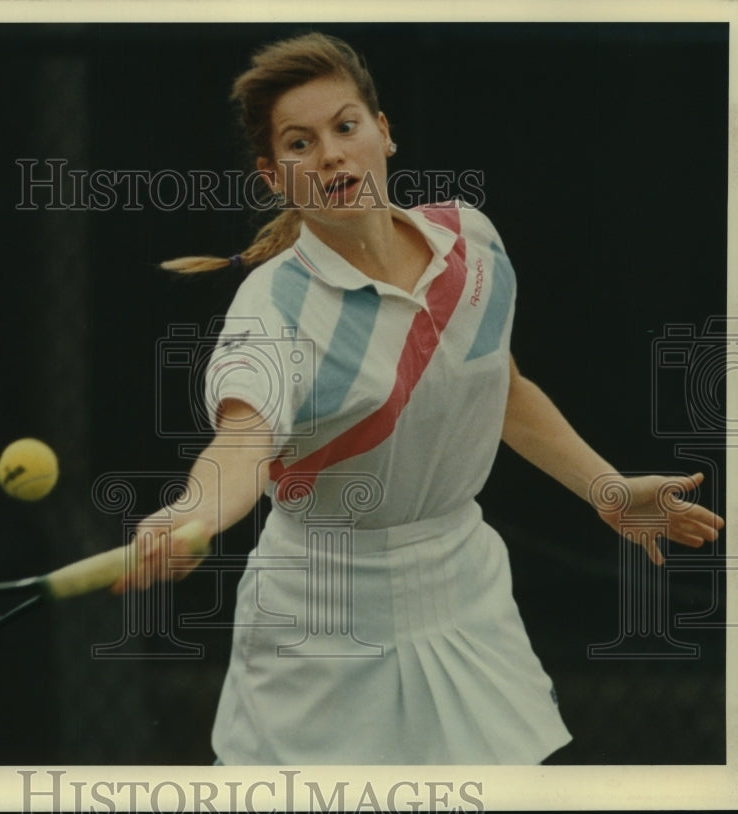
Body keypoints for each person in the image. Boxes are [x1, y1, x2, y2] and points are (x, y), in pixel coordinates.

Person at [111, 32, 724, 765]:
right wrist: (191, 513)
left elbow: (501, 387)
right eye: (301, 144)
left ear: (384, 133)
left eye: (346, 126)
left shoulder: (472, 240)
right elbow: (241, 445)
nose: (333, 154)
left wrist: (609, 489)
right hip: (318, 623)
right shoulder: (271, 308)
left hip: (464, 590)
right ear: (274, 178)